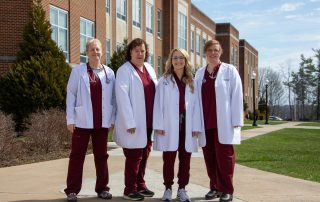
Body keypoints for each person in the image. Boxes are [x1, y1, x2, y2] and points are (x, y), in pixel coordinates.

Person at [65, 38, 115, 202]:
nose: (95, 52)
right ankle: (72, 190)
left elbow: (114, 99)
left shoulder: (109, 73)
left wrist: (112, 119)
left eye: (98, 49)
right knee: (77, 155)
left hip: (102, 123)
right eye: (92, 49)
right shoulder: (78, 71)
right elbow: (71, 94)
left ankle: (102, 188)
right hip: (82, 121)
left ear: (102, 51)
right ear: (87, 52)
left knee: (102, 156)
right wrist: (70, 119)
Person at [153, 48, 205, 202]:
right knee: (168, 158)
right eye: (175, 58)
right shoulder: (164, 80)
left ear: (186, 60)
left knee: (185, 158)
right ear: (171, 60)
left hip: (187, 125)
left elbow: (196, 107)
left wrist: (196, 127)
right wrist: (159, 125)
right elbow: (158, 104)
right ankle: (168, 188)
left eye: (181, 58)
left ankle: (182, 189)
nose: (178, 61)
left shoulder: (192, 81)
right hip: (169, 125)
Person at [195, 39, 243, 202]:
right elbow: (195, 99)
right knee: (209, 157)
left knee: (225, 157)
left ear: (220, 52)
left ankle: (226, 189)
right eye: (210, 50)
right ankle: (214, 187)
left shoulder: (230, 70)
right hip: (206, 121)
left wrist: (237, 118)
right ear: (205, 53)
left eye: (216, 50)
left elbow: (237, 95)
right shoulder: (199, 73)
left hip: (224, 122)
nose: (213, 53)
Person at [114, 38, 158, 201]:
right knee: (134, 155)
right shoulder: (124, 70)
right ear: (130, 52)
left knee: (145, 153)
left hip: (148, 120)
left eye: (143, 50)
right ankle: (129, 189)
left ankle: (140, 184)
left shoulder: (149, 68)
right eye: (137, 50)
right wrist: (129, 122)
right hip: (134, 122)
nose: (140, 53)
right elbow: (122, 97)